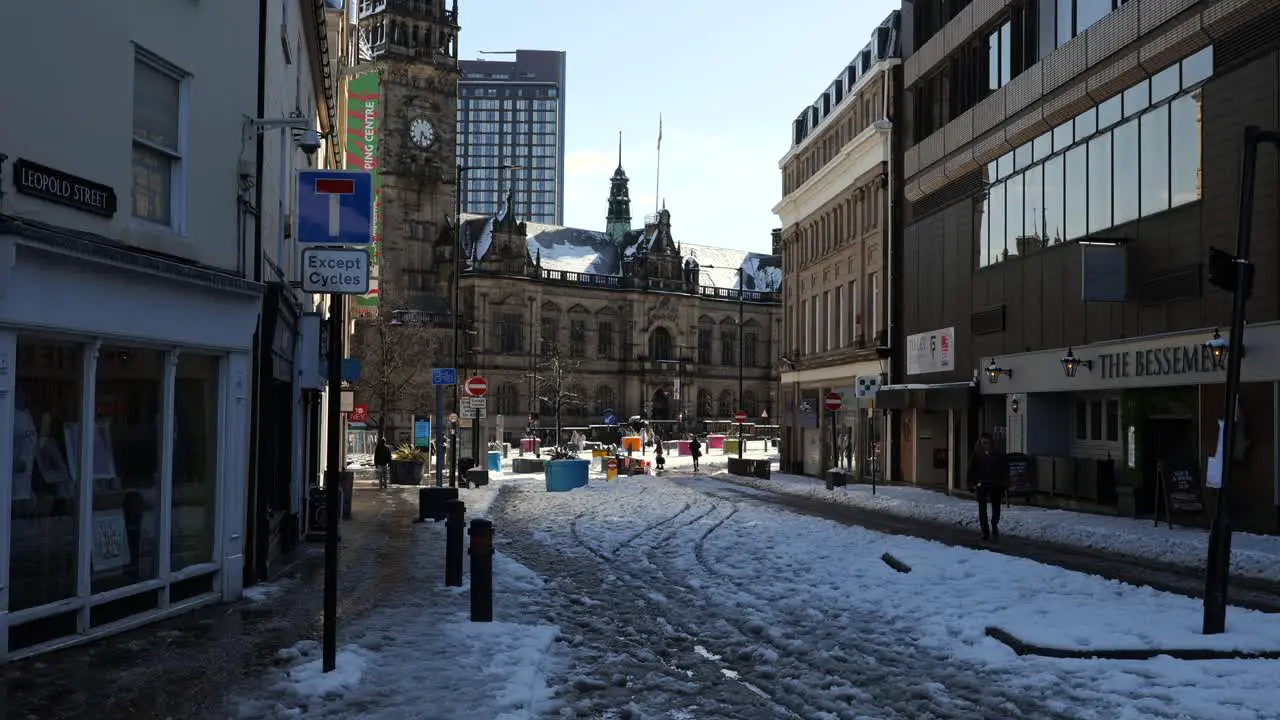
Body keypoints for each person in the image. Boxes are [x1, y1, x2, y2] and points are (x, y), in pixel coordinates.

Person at [967, 432, 1007, 541]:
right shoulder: (977, 453)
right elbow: (971, 469)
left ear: (991, 442)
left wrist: (1004, 484)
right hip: (982, 484)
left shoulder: (998, 453)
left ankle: (994, 524)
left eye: (987, 442)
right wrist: (971, 483)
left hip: (995, 484)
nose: (985, 444)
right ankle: (985, 531)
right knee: (982, 508)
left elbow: (1004, 469)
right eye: (983, 442)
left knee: (996, 506)